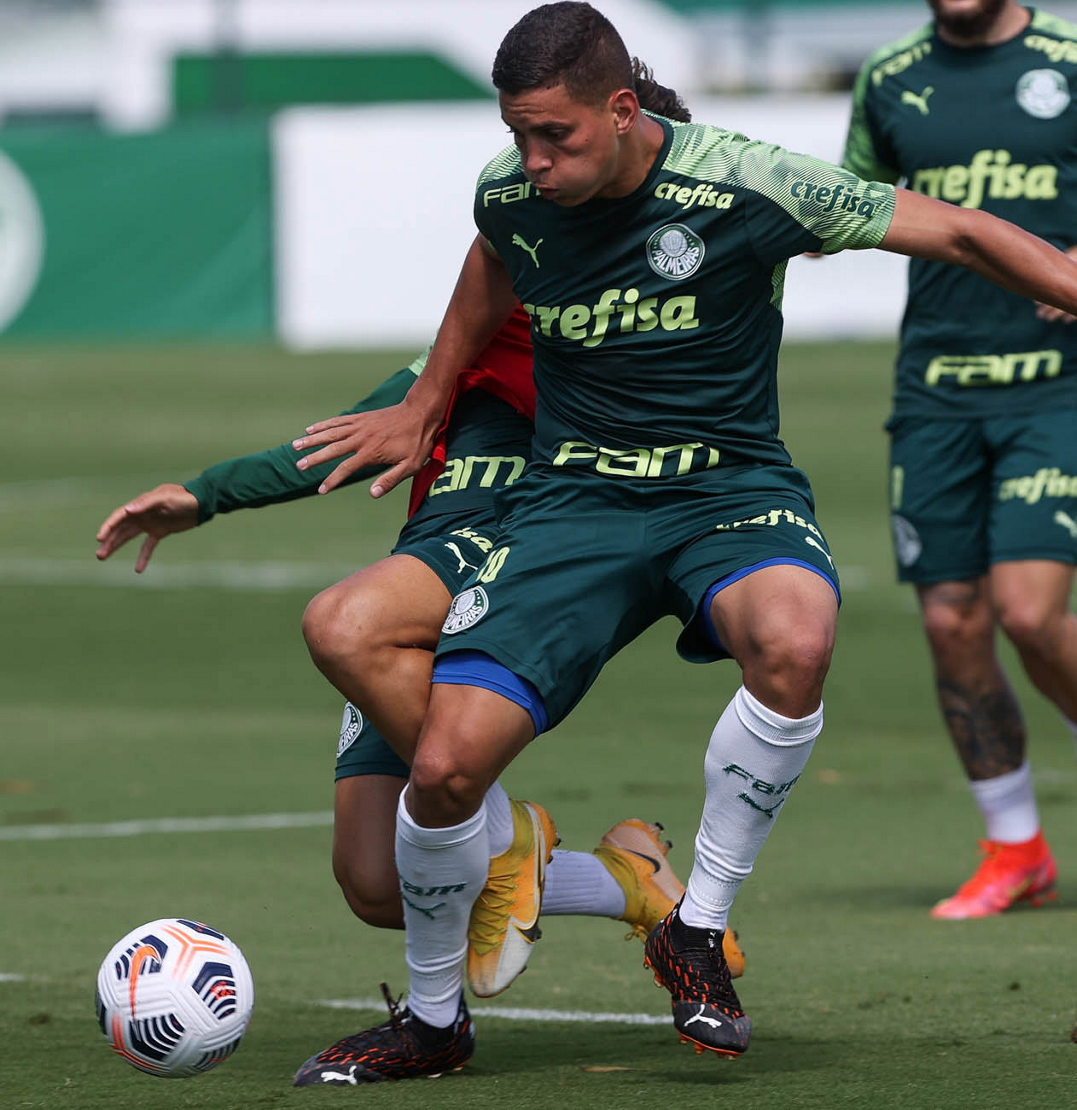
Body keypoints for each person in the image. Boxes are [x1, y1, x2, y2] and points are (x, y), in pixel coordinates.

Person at [290, 0, 1077, 1077]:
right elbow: (494, 257)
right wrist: (427, 396)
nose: (533, 160)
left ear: (622, 110)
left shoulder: (750, 182)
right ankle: (433, 1023)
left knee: (796, 638)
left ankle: (695, 928)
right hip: (573, 504)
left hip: (727, 489)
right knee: (441, 771)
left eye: (553, 134)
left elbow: (964, 231)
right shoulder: (514, 193)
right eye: (517, 134)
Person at [95, 67, 745, 1021]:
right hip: (429, 559)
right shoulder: (511, 297)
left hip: (514, 568)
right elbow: (368, 424)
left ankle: (503, 853)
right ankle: (621, 879)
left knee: (349, 632)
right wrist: (205, 494)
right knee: (373, 881)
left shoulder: (665, 331)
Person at [842, 0, 1077, 919]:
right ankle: (1014, 847)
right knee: (951, 623)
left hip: (1053, 385)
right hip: (934, 387)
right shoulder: (888, 78)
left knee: (1029, 613)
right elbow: (854, 203)